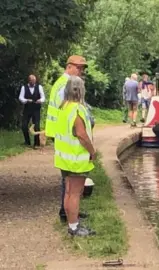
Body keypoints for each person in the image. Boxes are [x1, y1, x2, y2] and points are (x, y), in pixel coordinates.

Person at [45, 55, 90, 224]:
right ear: (69, 67)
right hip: (64, 134)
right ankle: (68, 214)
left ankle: (70, 211)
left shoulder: (63, 82)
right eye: (78, 67)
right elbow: (64, 108)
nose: (81, 71)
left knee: (68, 178)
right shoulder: (65, 84)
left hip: (61, 132)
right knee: (69, 180)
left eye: (82, 68)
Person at [55, 75, 96, 237]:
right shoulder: (78, 110)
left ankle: (72, 222)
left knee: (68, 191)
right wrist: (92, 151)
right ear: (80, 91)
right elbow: (81, 135)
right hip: (76, 159)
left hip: (64, 158)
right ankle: (74, 227)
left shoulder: (63, 107)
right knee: (75, 193)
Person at [19, 74, 45, 147]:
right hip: (27, 109)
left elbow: (43, 97)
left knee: (36, 126)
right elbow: (20, 98)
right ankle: (27, 142)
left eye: (34, 81)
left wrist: (40, 100)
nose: (34, 82)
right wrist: (26, 100)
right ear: (29, 81)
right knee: (24, 126)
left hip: (36, 109)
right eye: (32, 81)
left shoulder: (39, 87)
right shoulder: (24, 87)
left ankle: (36, 143)